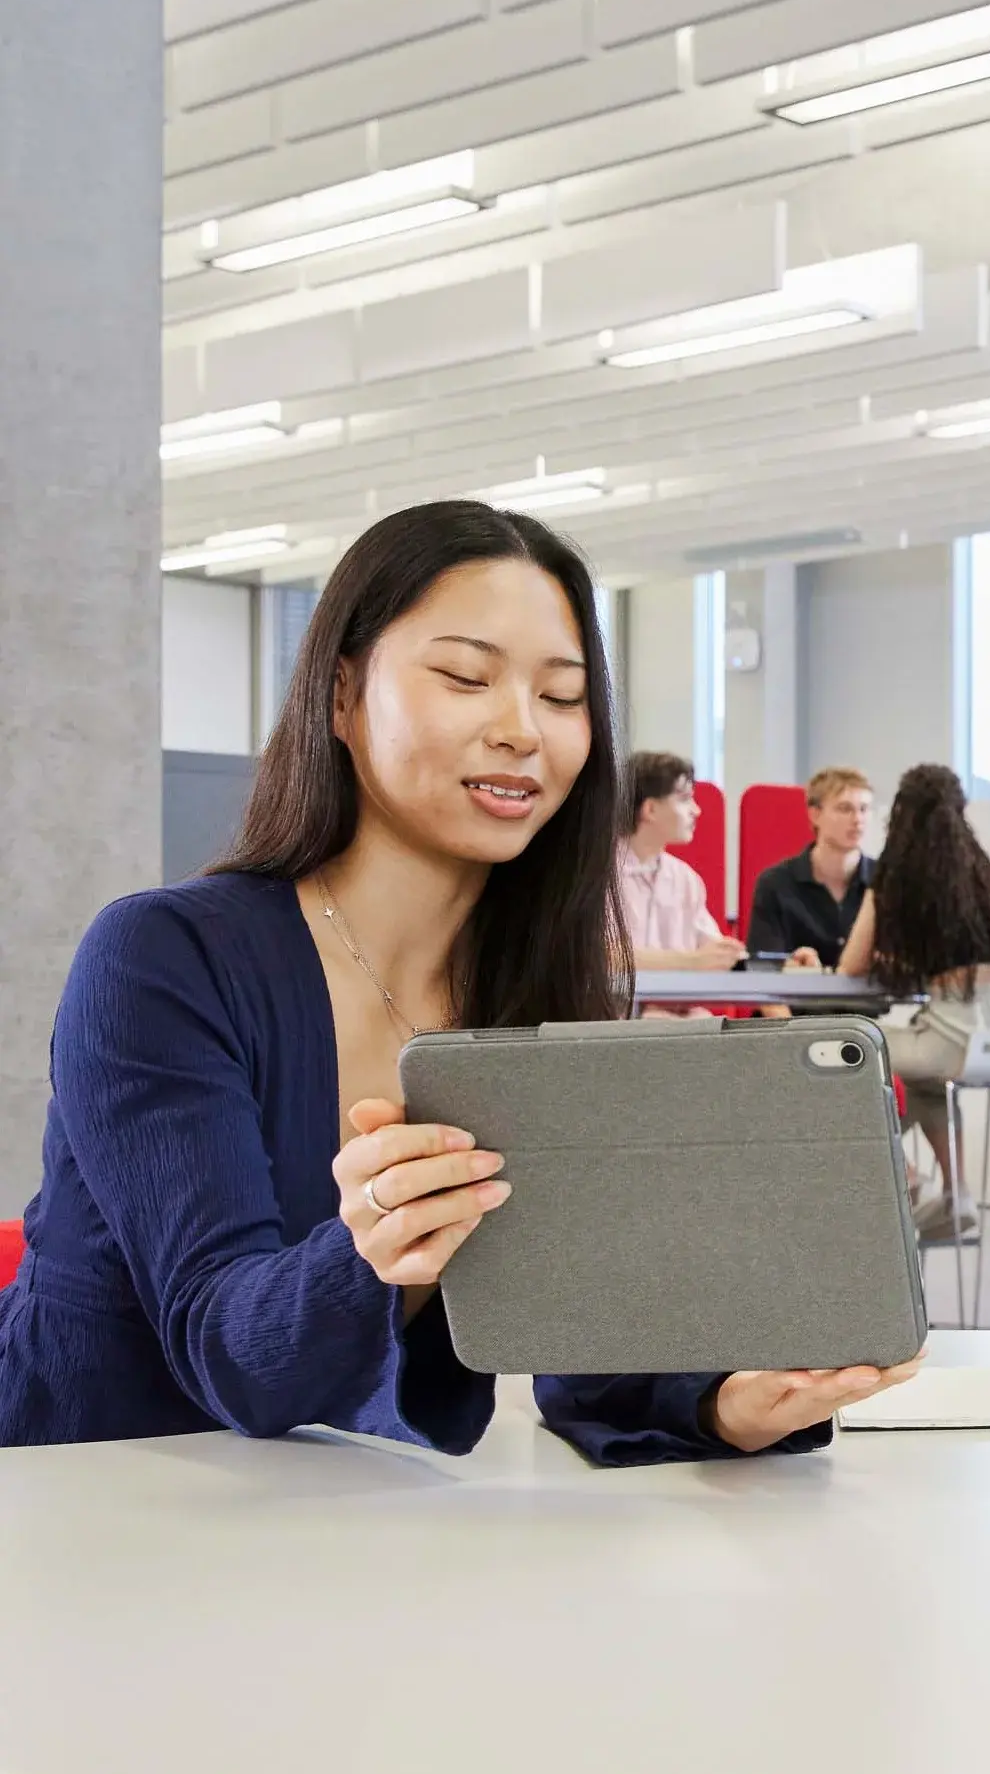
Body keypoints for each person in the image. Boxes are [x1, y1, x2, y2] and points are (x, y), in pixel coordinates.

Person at [0, 501, 915, 1456]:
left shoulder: (538, 990)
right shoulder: (162, 959)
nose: (522, 731)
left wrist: (728, 1399)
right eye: (465, 677)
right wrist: (375, 1254)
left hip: (346, 1530)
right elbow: (229, 1348)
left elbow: (587, 1339)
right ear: (341, 695)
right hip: (81, 1502)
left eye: (562, 698)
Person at [838, 765, 990, 1244]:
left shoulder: (897, 872)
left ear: (901, 815)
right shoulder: (982, 873)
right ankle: (955, 1195)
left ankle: (905, 1173)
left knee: (850, 1047)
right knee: (921, 1079)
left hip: (961, 1038)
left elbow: (851, 964)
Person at [618, 750, 744, 975]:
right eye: (685, 799)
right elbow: (601, 957)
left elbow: (714, 953)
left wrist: (783, 965)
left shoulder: (686, 879)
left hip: (683, 1009)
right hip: (620, 1010)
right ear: (650, 809)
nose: (696, 810)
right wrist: (691, 961)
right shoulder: (599, 876)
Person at [746, 766, 875, 967]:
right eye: (845, 809)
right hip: (798, 997)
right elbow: (763, 970)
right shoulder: (776, 885)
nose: (858, 819)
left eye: (864, 809)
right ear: (815, 815)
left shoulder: (886, 883)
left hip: (873, 998)